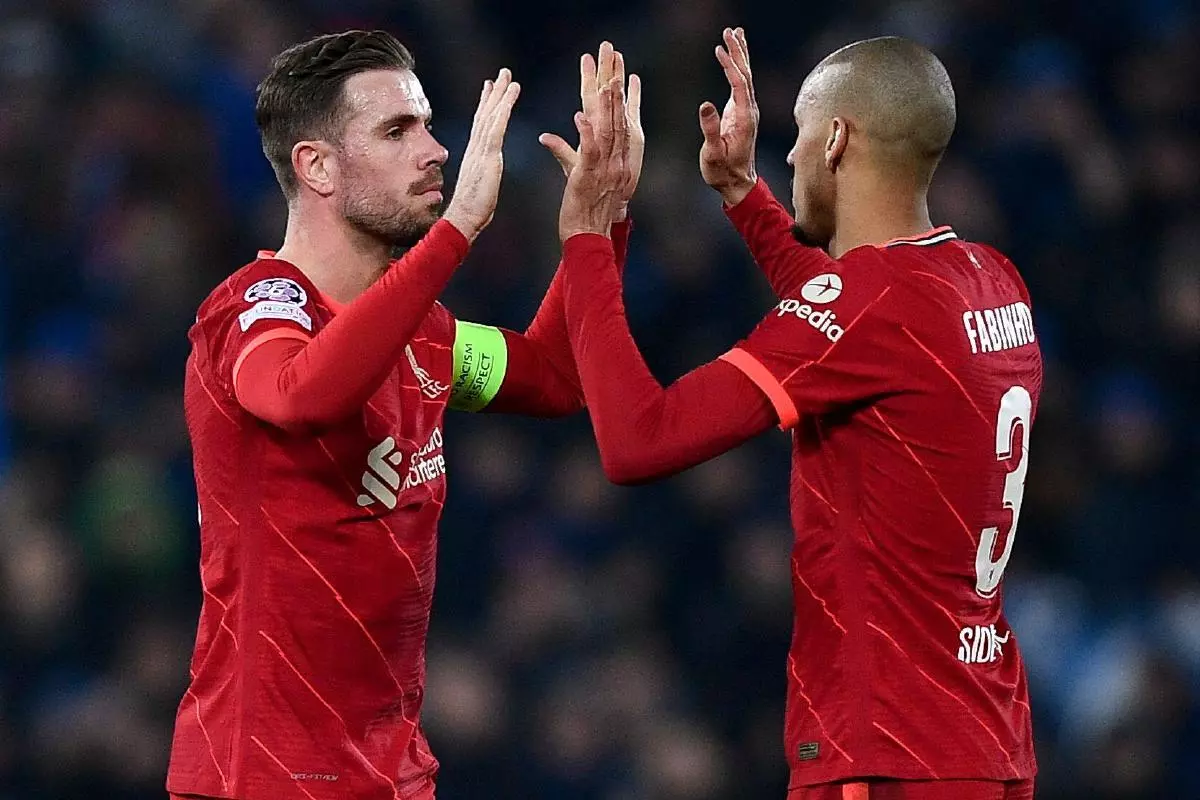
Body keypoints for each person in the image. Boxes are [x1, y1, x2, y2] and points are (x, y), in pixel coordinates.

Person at [555, 28, 1040, 800]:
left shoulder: (872, 307)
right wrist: (744, 195)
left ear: (837, 139)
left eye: (801, 134)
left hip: (887, 753)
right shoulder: (990, 279)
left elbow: (637, 441)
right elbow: (853, 323)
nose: (789, 154)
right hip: (989, 740)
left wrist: (589, 236)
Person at [166, 31, 643, 800]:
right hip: (262, 775)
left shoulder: (423, 334)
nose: (437, 150)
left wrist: (599, 223)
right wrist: (456, 232)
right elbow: (296, 394)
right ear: (317, 166)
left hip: (393, 775)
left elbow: (556, 377)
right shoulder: (256, 309)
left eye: (425, 123)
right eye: (396, 131)